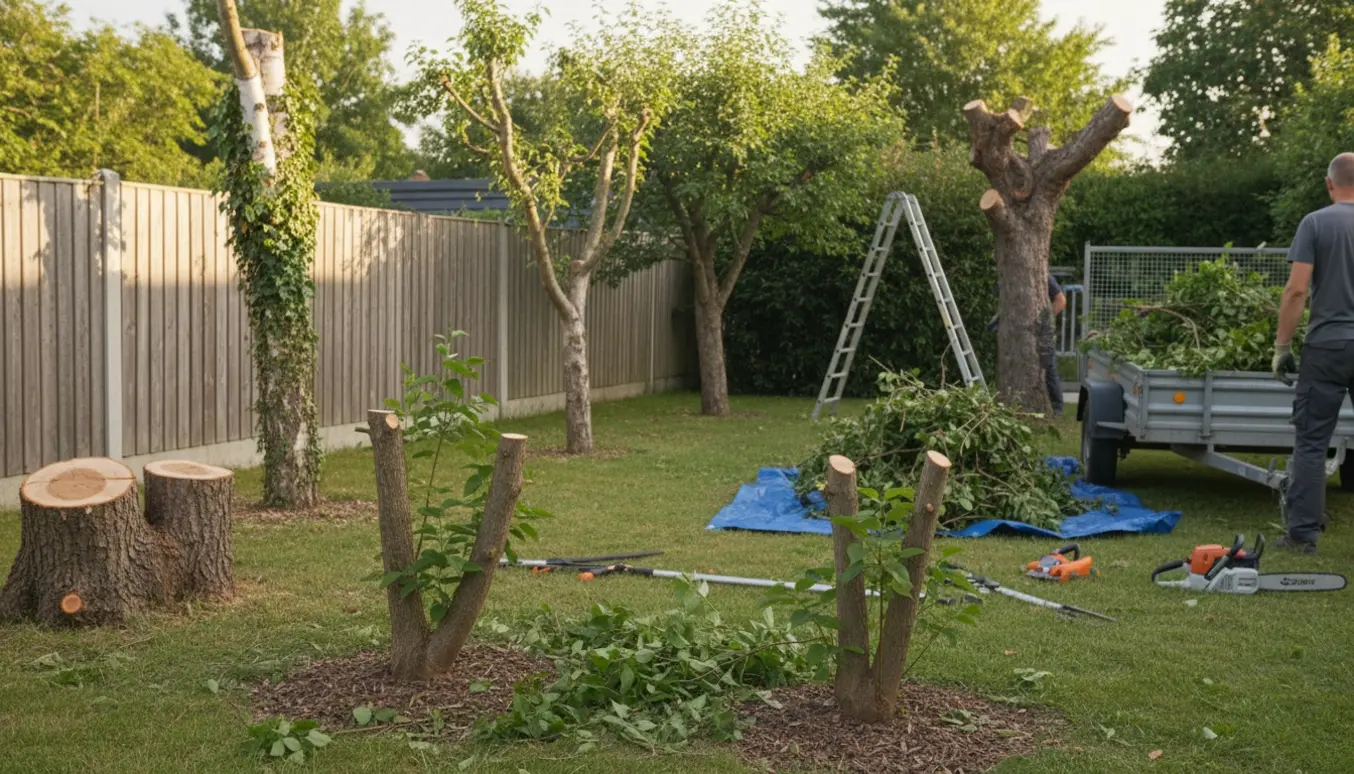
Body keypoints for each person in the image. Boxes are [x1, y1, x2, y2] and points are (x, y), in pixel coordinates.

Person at [1271, 152, 1354, 554]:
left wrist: (1282, 347)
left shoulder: (1316, 223)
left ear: (1329, 183)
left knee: (1312, 442)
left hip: (1327, 347)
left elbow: (1297, 290)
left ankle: (1302, 536)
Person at [989, 274, 1067, 417]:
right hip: (1016, 332)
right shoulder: (1008, 277)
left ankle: (1057, 407)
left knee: (1048, 367)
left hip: (1043, 330)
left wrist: (1045, 320)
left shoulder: (1044, 277)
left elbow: (1061, 300)